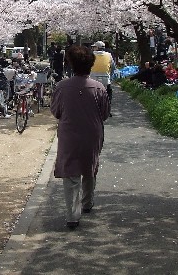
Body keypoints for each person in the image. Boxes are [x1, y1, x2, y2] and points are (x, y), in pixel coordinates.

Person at [51, 45, 110, 229]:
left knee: (71, 173)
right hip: (92, 132)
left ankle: (72, 216)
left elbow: (56, 111)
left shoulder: (61, 87)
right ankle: (87, 202)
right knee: (90, 166)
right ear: (90, 65)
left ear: (71, 65)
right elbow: (105, 113)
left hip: (69, 133)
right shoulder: (99, 87)